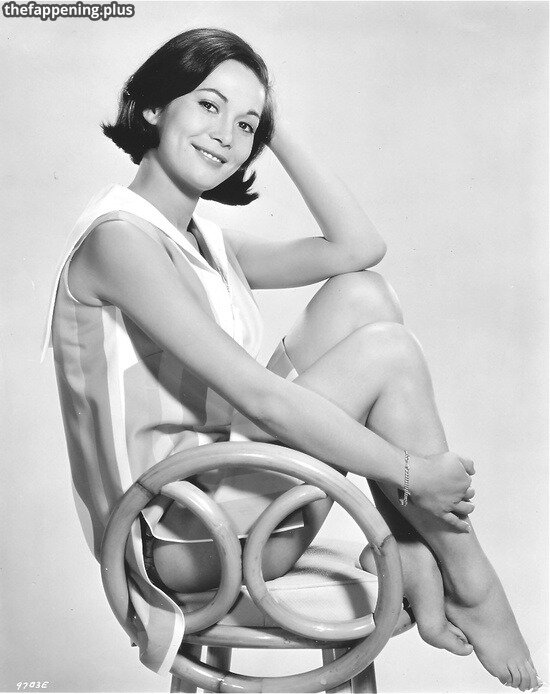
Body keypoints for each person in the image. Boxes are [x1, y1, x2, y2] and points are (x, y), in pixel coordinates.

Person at [43, 27, 541, 690]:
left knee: (363, 296)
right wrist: (413, 473)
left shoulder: (200, 239)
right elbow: (262, 398)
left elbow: (358, 249)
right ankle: (469, 577)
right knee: (387, 352)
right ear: (155, 106)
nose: (226, 135)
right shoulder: (120, 241)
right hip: (182, 538)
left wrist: (274, 127)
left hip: (228, 495)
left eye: (246, 124)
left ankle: (415, 547)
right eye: (209, 105)